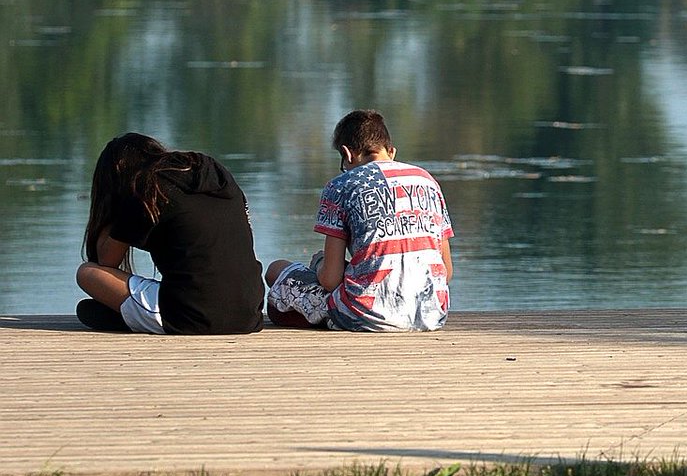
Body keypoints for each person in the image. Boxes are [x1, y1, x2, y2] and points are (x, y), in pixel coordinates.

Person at [265, 109, 454, 332]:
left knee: (276, 271)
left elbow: (330, 280)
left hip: (366, 315)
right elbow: (446, 271)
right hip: (430, 314)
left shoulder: (341, 186)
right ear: (391, 151)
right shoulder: (427, 180)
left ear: (347, 154)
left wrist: (318, 264)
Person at [75, 133, 265, 334]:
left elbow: (106, 261)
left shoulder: (147, 187)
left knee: (87, 273)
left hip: (188, 316)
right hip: (249, 315)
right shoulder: (217, 176)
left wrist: (113, 201)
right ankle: (134, 316)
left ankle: (135, 317)